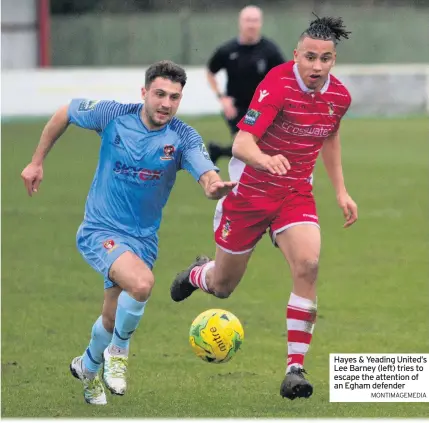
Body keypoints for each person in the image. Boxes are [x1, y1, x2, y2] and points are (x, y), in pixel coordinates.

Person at [20, 60, 236, 405]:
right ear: (144, 93)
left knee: (112, 314)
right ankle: (118, 354)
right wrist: (36, 160)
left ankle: (88, 367)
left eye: (174, 97)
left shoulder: (182, 136)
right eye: (160, 94)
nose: (166, 103)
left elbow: (205, 170)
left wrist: (213, 186)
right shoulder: (113, 115)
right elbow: (66, 112)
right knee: (142, 283)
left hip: (142, 240)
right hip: (99, 229)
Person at [170, 16, 358, 400]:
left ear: (333, 60)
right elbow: (241, 144)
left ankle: (295, 369)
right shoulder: (277, 83)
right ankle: (197, 275)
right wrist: (265, 160)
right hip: (250, 193)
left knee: (308, 265)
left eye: (325, 59)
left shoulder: (339, 97)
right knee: (223, 287)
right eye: (310, 57)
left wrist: (341, 191)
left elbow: (331, 136)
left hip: (294, 194)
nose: (317, 66)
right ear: (296, 56)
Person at [206, 5, 286, 164]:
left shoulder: (269, 50)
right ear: (240, 23)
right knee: (246, 147)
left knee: (248, 148)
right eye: (248, 20)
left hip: (260, 107)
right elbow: (210, 72)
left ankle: (218, 151)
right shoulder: (228, 50)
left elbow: (283, 76)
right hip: (236, 107)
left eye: (255, 20)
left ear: (261, 23)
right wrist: (222, 98)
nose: (251, 24)